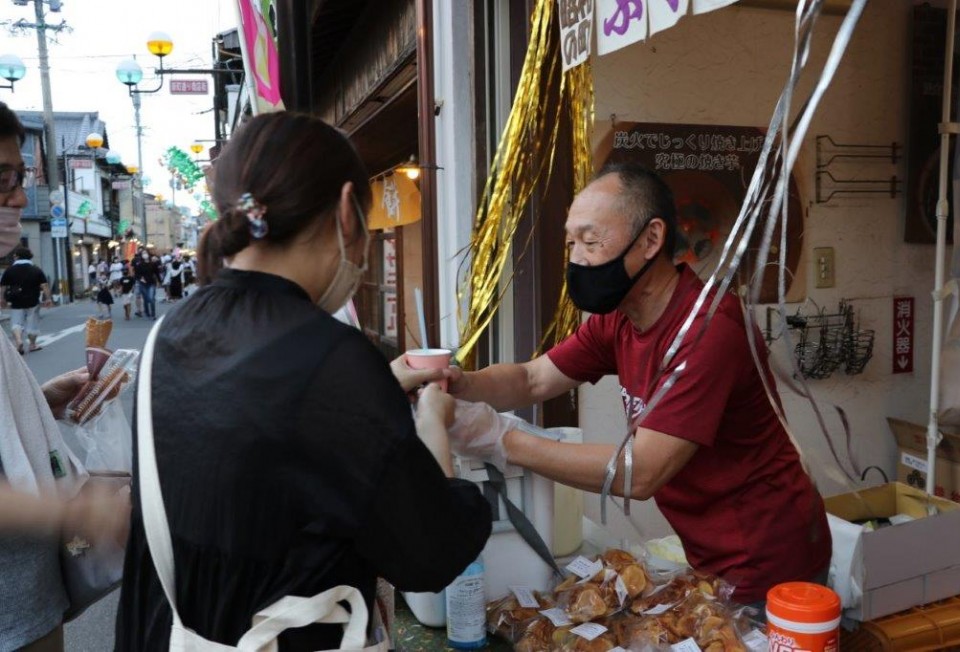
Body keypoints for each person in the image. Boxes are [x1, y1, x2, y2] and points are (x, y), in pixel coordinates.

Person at [115, 112, 492, 650]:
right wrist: (433, 423)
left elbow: (259, 446)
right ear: (345, 210)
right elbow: (429, 554)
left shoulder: (169, 334)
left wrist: (376, 393)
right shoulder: (332, 358)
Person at [424, 163, 831, 608]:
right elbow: (532, 377)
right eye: (570, 243)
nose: (577, 259)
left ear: (651, 240)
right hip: (709, 552)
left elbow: (642, 471)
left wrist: (499, 438)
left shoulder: (708, 329)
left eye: (592, 241)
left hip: (768, 560)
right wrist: (463, 383)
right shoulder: (619, 318)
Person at [0, 101, 130, 652]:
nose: (19, 197)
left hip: (24, 591)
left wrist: (42, 398)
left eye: (19, 176)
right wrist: (78, 506)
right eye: (3, 178)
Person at [1, 245, 52, 354]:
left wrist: (2, 299)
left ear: (17, 257)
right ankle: (32, 345)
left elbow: (3, 287)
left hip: (16, 301)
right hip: (32, 300)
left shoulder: (9, 270)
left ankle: (19, 341)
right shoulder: (36, 269)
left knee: (16, 323)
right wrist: (48, 298)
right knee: (32, 323)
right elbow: (44, 285)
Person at [132, 251, 157, 319]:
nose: (145, 255)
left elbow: (156, 272)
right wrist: (140, 278)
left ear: (148, 255)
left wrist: (160, 281)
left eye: (146, 253)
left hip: (151, 283)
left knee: (151, 299)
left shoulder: (152, 264)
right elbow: (136, 274)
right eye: (143, 254)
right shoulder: (139, 264)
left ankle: (153, 314)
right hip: (143, 284)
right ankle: (147, 312)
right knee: (146, 299)